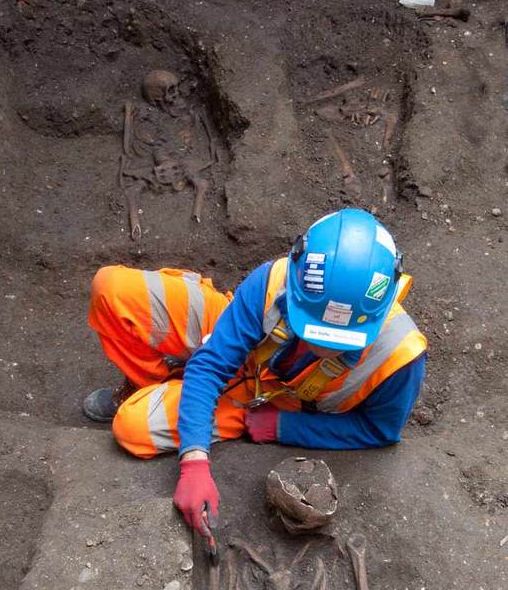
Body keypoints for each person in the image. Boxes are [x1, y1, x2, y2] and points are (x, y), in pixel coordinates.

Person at [84, 208, 427, 538]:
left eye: (337, 340)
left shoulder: (400, 356)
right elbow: (212, 363)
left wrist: (284, 427)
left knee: (131, 428)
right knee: (111, 289)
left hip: (263, 404)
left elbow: (379, 430)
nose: (319, 345)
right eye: (311, 326)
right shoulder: (276, 280)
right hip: (237, 343)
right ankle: (156, 386)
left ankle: (176, 397)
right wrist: (194, 462)